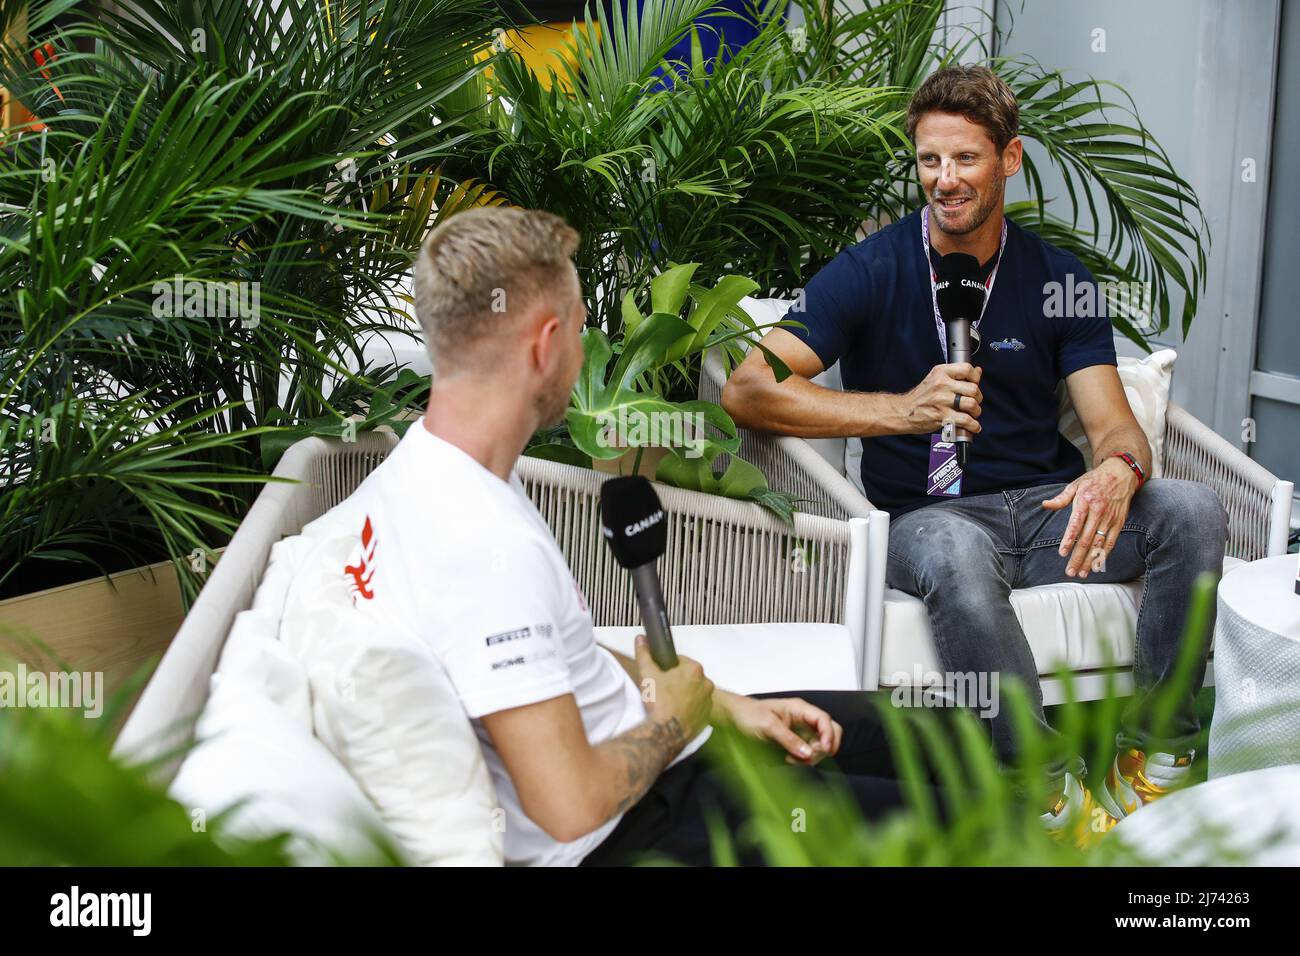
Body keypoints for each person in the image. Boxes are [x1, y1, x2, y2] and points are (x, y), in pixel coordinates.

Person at [317, 205, 947, 867]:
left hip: (656, 755)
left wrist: (724, 707)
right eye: (582, 330)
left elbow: (543, 655)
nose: (586, 351)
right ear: (544, 344)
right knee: (951, 818)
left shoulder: (430, 474)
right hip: (634, 822)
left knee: (914, 733)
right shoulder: (482, 544)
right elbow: (566, 807)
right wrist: (675, 720)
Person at [720, 65, 1228, 836]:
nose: (944, 180)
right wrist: (900, 410)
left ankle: (1154, 758)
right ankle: (1043, 783)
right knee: (956, 549)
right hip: (928, 516)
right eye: (929, 161)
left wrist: (1120, 471)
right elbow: (747, 389)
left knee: (1191, 508)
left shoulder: (1060, 278)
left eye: (965, 159)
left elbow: (1112, 423)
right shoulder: (870, 269)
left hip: (1050, 510)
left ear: (1010, 159)